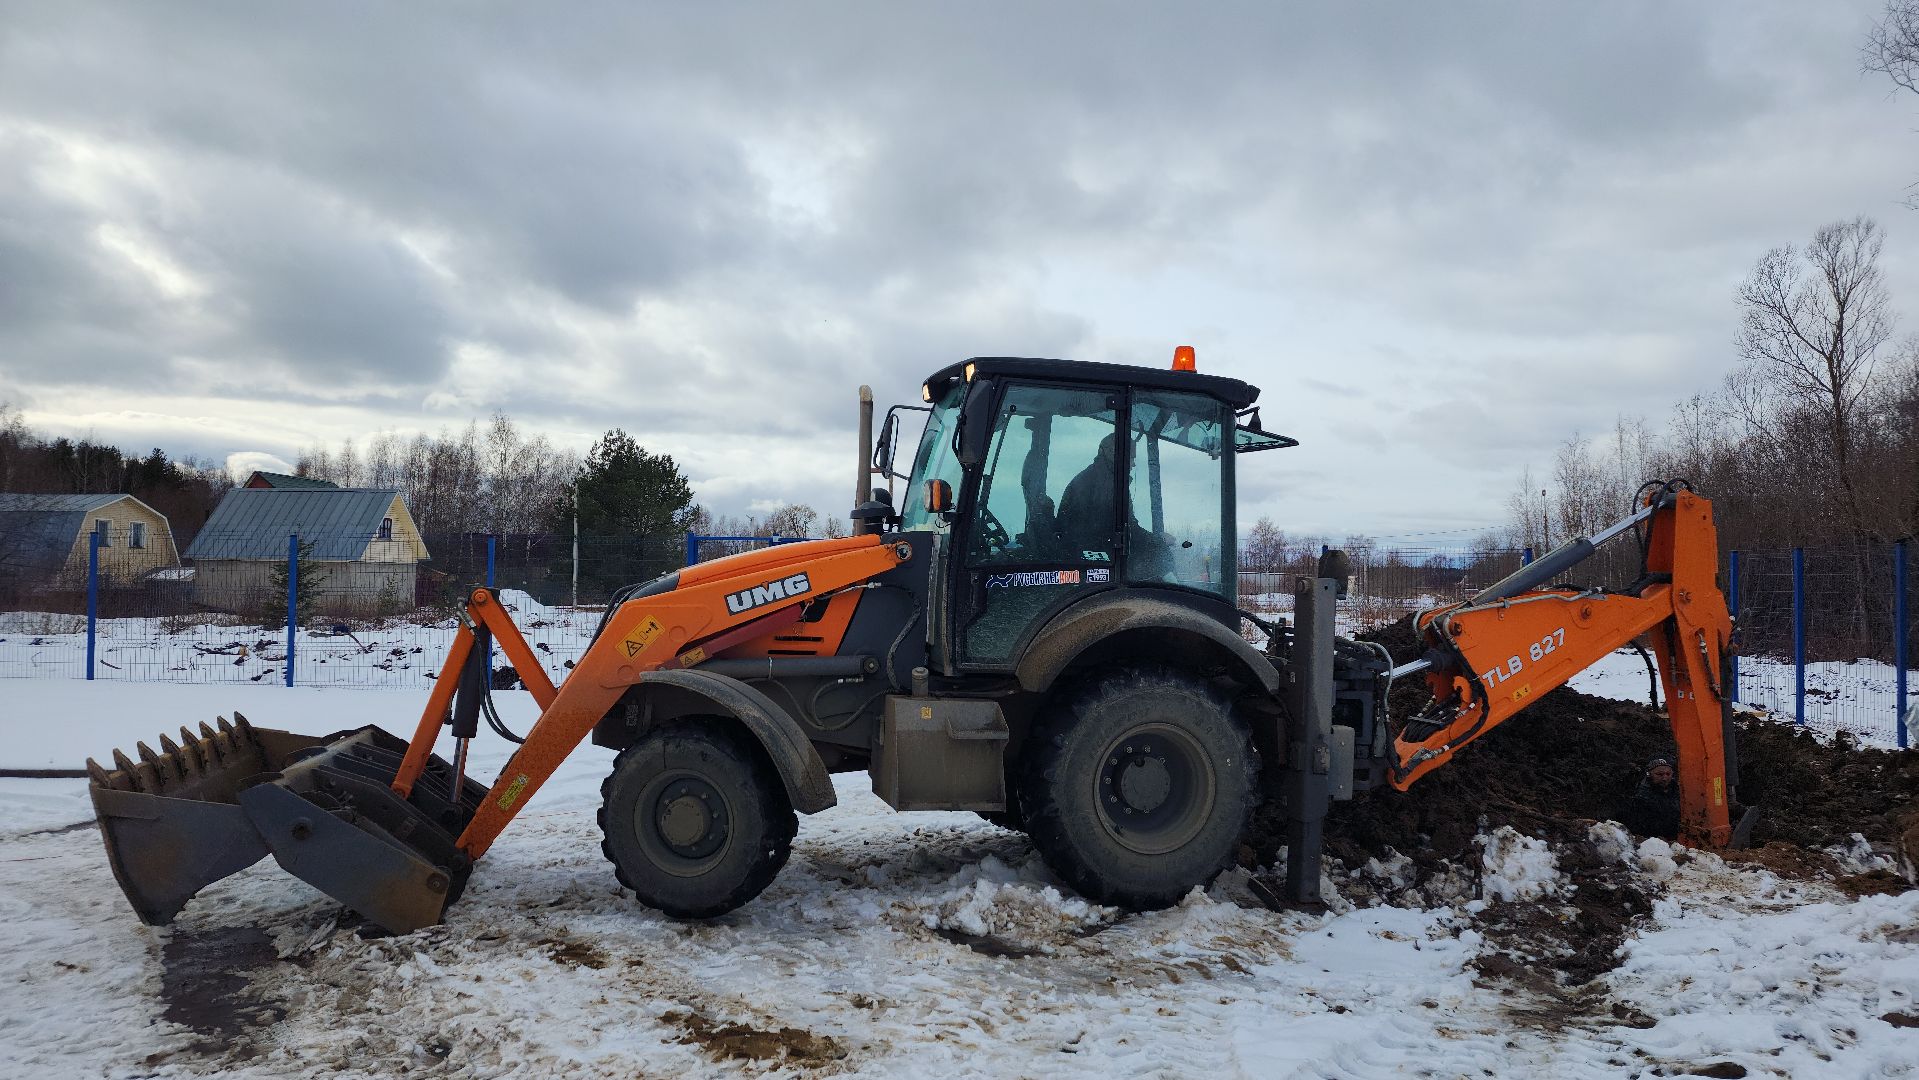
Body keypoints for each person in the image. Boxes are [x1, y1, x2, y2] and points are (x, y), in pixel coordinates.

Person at [1620, 757, 1680, 840]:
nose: (1664, 778)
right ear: (1649, 774)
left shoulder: (1678, 791)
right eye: (1659, 774)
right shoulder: (1640, 796)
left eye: (1668, 774)